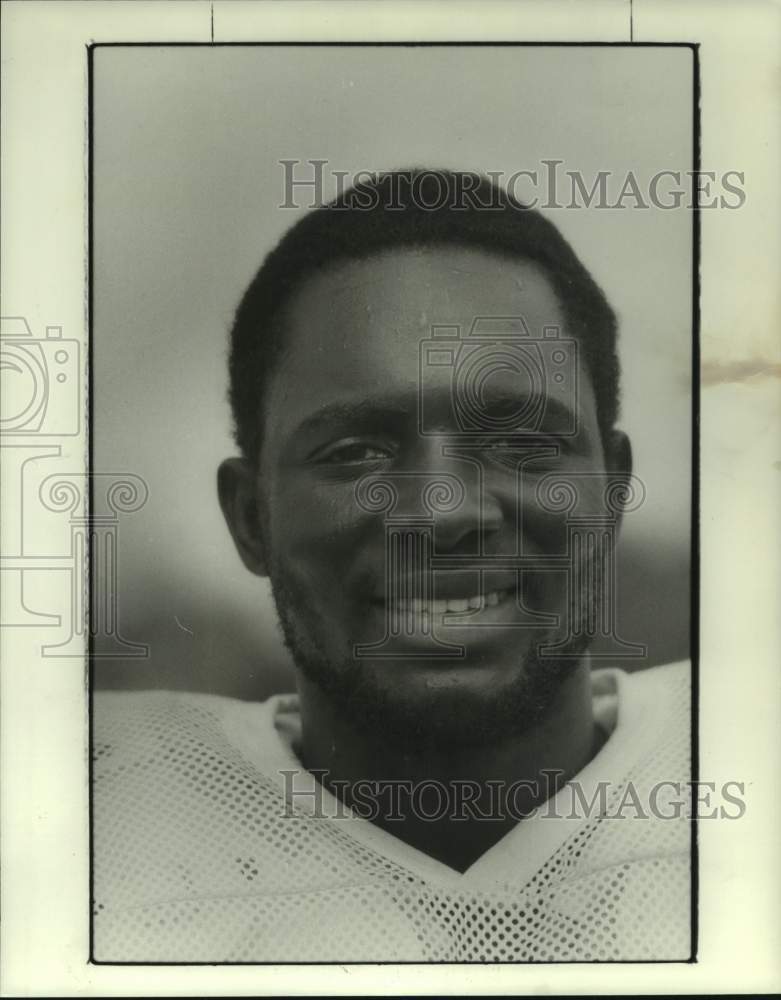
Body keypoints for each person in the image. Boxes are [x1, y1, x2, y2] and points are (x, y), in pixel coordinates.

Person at [92, 169, 691, 962]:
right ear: (251, 517)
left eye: (521, 444)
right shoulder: (96, 829)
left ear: (611, 494)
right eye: (355, 452)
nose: (442, 513)